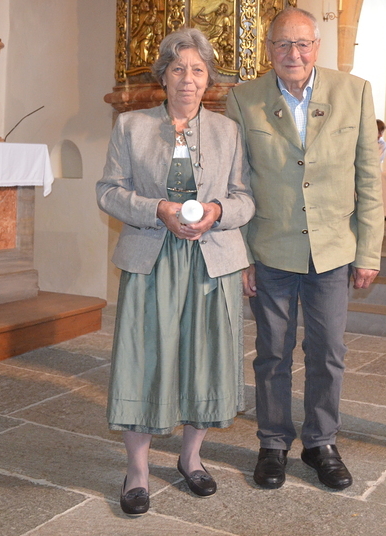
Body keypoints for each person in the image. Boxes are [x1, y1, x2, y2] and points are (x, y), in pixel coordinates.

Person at [96, 28, 254, 515]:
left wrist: (216, 212)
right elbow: (108, 191)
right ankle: (138, 470)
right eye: (179, 69)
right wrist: (157, 209)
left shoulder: (228, 131)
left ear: (209, 80)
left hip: (212, 260)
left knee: (205, 357)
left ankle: (191, 457)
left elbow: (245, 199)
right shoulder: (131, 126)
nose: (188, 79)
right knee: (145, 358)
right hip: (153, 257)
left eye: (198, 70)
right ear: (163, 75)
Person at [226, 7, 384, 491]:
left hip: (332, 248)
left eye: (302, 44)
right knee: (272, 352)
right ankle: (273, 443)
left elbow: (368, 178)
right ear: (268, 48)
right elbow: (236, 183)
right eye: (282, 44)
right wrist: (242, 255)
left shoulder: (354, 92)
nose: (292, 53)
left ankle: (321, 442)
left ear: (317, 46)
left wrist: (369, 251)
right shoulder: (243, 99)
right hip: (270, 248)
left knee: (328, 351)